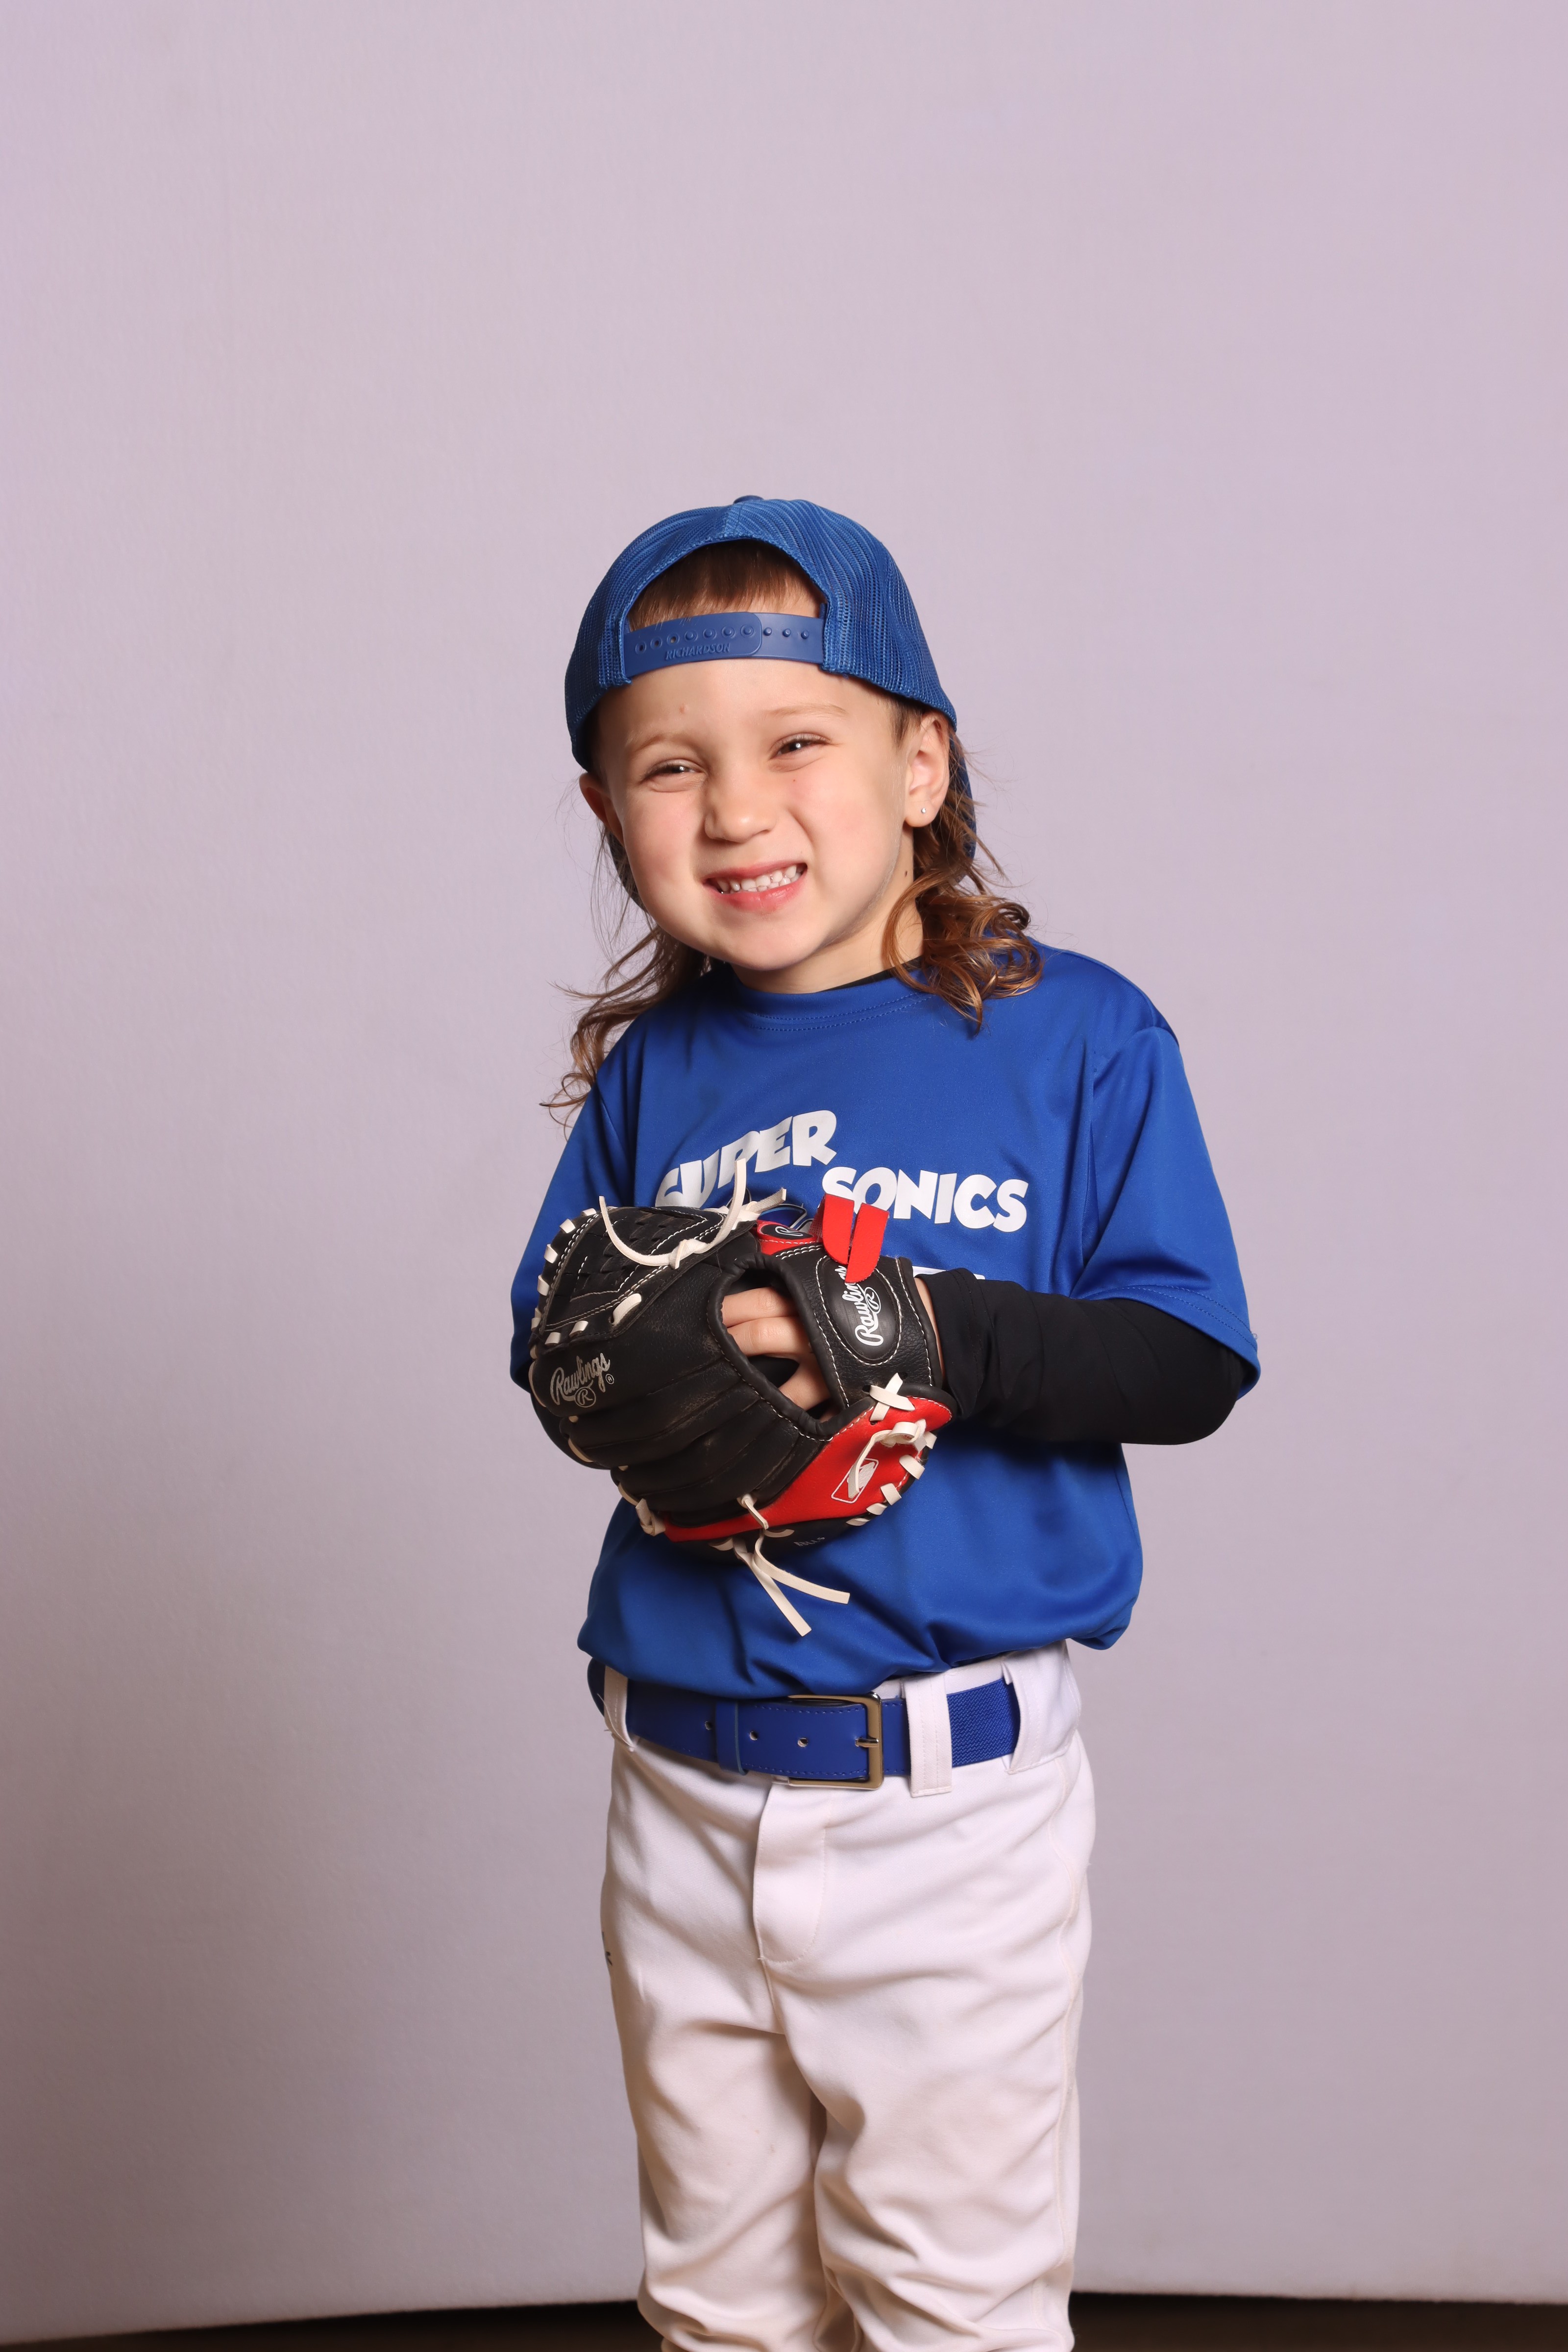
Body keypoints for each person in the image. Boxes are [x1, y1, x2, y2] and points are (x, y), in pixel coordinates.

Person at [511, 496, 1258, 2352]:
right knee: (719, 2302)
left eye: (796, 743)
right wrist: (628, 1364)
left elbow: (1187, 1362)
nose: (735, 809)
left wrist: (924, 1330)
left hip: (947, 1805)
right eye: (668, 766)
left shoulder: (1076, 1040)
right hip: (679, 1780)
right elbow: (557, 1351)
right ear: (608, 813)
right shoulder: (661, 1074)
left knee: (948, 2307)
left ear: (923, 767)